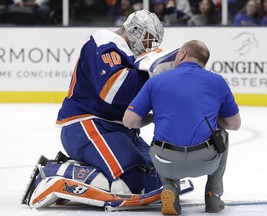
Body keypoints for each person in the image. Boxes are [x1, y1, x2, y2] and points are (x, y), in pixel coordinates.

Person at [123, 40, 241, 215]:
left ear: (183, 53)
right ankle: (213, 195)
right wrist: (212, 117)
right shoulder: (217, 81)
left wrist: (155, 117)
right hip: (205, 161)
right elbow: (234, 124)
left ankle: (170, 188)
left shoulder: (157, 81)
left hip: (166, 161)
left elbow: (129, 121)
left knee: (163, 136)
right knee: (222, 135)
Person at [56, 9, 165, 195]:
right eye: (148, 38)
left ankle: (101, 167)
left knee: (163, 177)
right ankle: (63, 172)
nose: (150, 45)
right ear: (135, 30)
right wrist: (152, 76)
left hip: (120, 131)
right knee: (134, 182)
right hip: (87, 126)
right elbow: (113, 91)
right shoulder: (105, 41)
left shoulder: (135, 58)